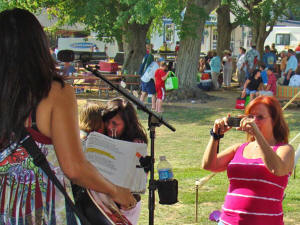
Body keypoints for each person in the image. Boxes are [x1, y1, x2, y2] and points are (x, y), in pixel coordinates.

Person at [0, 8, 136, 225]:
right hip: (42, 212)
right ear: (39, 45)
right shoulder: (55, 93)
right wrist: (114, 190)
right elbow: (73, 168)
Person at [202, 96, 294, 225]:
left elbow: (277, 169)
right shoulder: (239, 148)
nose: (254, 121)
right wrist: (216, 135)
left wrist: (257, 135)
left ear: (274, 121)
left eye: (260, 117)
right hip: (228, 221)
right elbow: (209, 165)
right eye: (250, 116)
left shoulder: (285, 150)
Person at [102, 98, 148, 225]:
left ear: (128, 124)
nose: (110, 127)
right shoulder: (102, 134)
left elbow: (140, 177)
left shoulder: (136, 142)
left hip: (126, 205)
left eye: (115, 124)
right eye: (107, 122)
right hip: (105, 201)